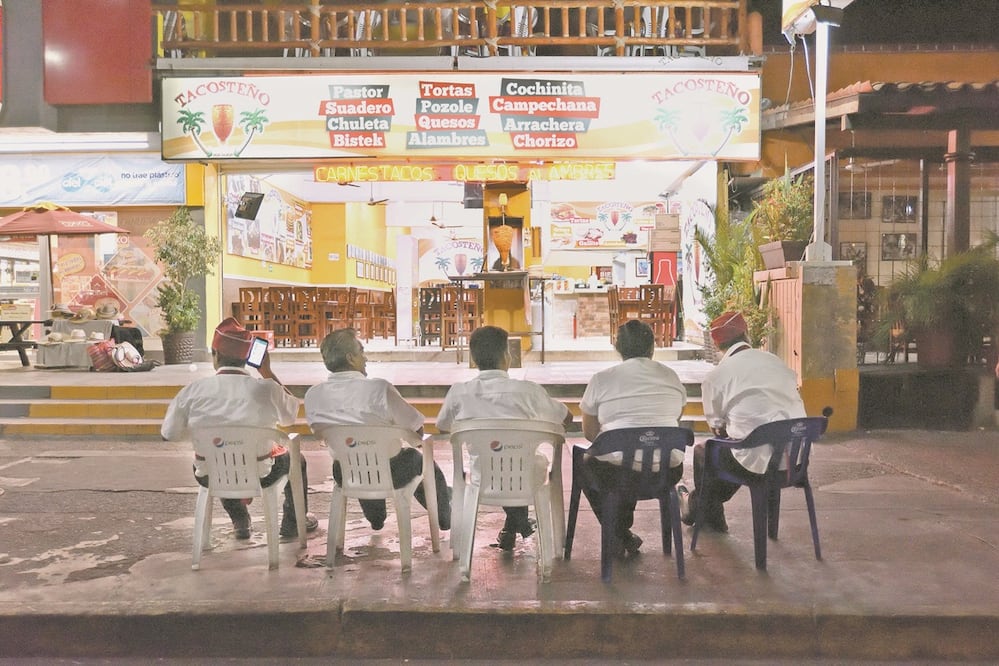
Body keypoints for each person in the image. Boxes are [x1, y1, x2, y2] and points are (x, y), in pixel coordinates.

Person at [161, 317, 318, 540]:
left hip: (211, 474)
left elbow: (169, 433)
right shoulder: (266, 389)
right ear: (247, 358)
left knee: (219, 457)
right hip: (262, 472)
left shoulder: (193, 391)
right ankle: (292, 524)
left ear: (215, 355)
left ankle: (240, 520)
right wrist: (267, 372)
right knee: (297, 459)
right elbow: (289, 415)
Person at [436, 325, 573, 551]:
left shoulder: (459, 392)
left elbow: (443, 426)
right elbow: (566, 418)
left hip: (483, 478)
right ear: (506, 356)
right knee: (522, 464)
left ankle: (513, 526)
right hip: (526, 477)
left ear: (473, 358)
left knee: (500, 465)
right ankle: (517, 524)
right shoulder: (529, 392)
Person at [304, 328, 451, 531]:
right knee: (417, 460)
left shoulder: (313, 395)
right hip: (392, 471)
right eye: (361, 352)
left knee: (358, 457)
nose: (365, 358)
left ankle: (376, 518)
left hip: (345, 471)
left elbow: (317, 431)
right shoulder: (379, 389)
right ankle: (444, 515)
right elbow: (417, 429)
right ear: (350, 358)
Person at [679, 311, 807, 532]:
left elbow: (717, 428)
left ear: (717, 345)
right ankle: (699, 506)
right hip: (793, 461)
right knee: (742, 448)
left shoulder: (717, 376)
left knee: (706, 452)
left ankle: (700, 509)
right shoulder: (776, 362)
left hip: (754, 465)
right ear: (747, 335)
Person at [579, 319, 687, 556]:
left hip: (616, 476)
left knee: (590, 463)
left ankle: (617, 533)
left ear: (618, 348)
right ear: (652, 348)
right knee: (630, 459)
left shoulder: (602, 379)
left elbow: (590, 434)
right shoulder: (671, 377)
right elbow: (676, 417)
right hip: (665, 473)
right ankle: (621, 533)